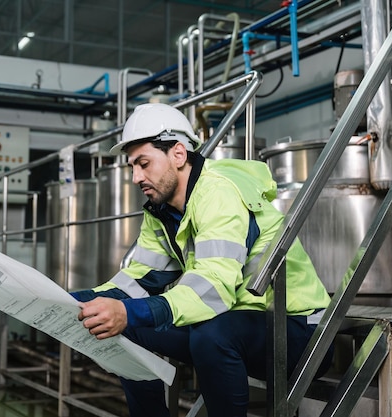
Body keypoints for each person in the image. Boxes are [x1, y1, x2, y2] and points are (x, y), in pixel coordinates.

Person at [71, 102, 332, 417]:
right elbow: (139, 282)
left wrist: (131, 311)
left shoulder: (218, 194)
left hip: (299, 330)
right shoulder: (162, 210)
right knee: (120, 327)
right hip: (236, 319)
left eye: (144, 163)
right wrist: (73, 302)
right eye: (132, 167)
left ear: (178, 155)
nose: (136, 177)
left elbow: (213, 287)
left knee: (210, 334)